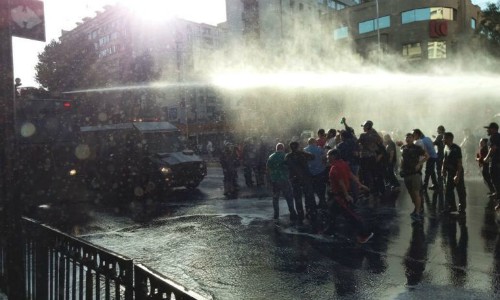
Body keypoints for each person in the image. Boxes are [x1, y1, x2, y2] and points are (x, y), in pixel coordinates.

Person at [324, 149, 373, 243]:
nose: (327, 157)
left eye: (328, 156)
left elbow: (341, 182)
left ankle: (365, 234)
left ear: (333, 156)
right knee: (332, 213)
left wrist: (346, 195)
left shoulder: (334, 168)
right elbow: (351, 174)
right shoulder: (343, 163)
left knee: (351, 216)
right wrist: (360, 184)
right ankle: (330, 230)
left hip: (340, 195)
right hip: (339, 195)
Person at [285, 141, 317, 227]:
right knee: (308, 196)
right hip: (305, 179)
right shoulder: (303, 154)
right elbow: (313, 157)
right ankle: (310, 213)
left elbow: (286, 165)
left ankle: (300, 216)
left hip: (295, 179)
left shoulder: (288, 156)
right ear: (298, 147)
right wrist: (302, 152)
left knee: (298, 198)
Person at [400, 133, 429, 222]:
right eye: (406, 137)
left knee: (416, 193)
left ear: (413, 139)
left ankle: (417, 212)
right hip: (406, 173)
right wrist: (401, 169)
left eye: (410, 137)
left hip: (415, 174)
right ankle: (417, 208)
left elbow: (427, 156)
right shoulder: (403, 148)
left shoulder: (417, 148)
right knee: (411, 193)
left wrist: (419, 164)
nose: (408, 139)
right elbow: (402, 159)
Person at [267, 143, 298, 224]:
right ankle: (292, 213)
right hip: (284, 179)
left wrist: (270, 179)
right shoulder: (286, 156)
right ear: (283, 148)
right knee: (289, 196)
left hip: (275, 180)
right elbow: (290, 167)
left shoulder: (271, 156)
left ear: (276, 148)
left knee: (275, 197)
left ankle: (276, 215)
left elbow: (268, 168)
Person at [442, 132, 467, 214]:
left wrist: (457, 175)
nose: (442, 139)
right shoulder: (445, 147)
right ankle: (452, 207)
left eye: (444, 138)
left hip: (457, 171)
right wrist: (443, 169)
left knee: (460, 190)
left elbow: (459, 163)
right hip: (449, 172)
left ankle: (462, 208)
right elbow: (444, 160)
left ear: (449, 139)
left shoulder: (456, 149)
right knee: (448, 190)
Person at [304, 138, 327, 208]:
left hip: (310, 172)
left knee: (312, 188)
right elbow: (325, 158)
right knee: (321, 187)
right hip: (320, 171)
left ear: (308, 143)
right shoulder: (319, 149)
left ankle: (312, 205)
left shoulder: (305, 150)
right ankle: (322, 201)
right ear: (314, 142)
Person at [483, 122, 500, 210]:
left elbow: (493, 148)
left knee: (496, 181)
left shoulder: (493, 137)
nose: (487, 130)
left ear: (493, 129)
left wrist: (486, 158)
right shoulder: (498, 136)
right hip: (497, 161)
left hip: (495, 162)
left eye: (488, 128)